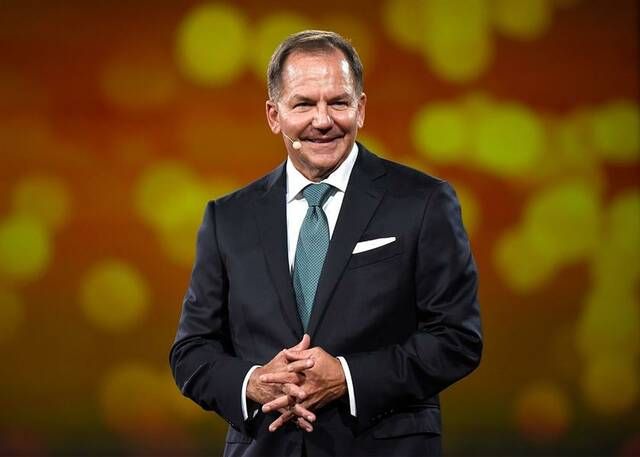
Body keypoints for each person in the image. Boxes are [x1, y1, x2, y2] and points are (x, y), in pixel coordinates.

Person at [169, 30, 482, 457]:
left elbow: (457, 337)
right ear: (274, 115)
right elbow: (191, 352)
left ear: (361, 108)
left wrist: (348, 377)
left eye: (338, 102)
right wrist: (254, 383)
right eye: (303, 104)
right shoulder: (228, 218)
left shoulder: (423, 202)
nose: (322, 121)